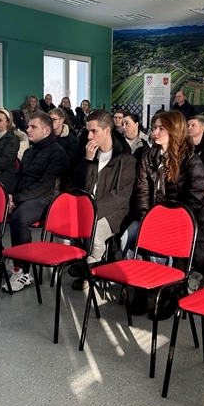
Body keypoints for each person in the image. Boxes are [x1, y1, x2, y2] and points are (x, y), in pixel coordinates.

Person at [125, 110, 204, 318]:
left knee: (158, 244)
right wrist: (146, 218)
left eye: (160, 128)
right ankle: (140, 288)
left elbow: (194, 199)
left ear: (174, 131)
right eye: (154, 128)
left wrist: (164, 222)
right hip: (152, 216)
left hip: (185, 219)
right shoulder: (149, 157)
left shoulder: (191, 160)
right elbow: (142, 192)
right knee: (128, 238)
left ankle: (168, 293)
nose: (155, 132)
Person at [0, 113, 68, 292]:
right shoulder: (29, 152)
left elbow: (45, 186)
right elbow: (16, 177)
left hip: (47, 199)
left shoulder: (57, 153)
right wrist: (8, 196)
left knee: (19, 218)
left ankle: (22, 270)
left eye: (33, 127)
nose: (28, 130)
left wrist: (17, 200)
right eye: (28, 126)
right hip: (25, 196)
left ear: (46, 130)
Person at [70, 110, 136, 290]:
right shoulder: (89, 153)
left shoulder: (126, 159)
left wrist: (92, 212)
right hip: (88, 206)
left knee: (95, 231)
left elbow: (120, 196)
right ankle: (87, 261)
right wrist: (88, 161)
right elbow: (79, 186)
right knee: (67, 226)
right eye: (87, 131)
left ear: (107, 130)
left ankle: (90, 269)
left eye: (94, 131)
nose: (89, 136)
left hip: (115, 211)